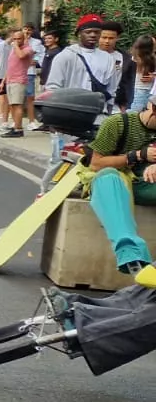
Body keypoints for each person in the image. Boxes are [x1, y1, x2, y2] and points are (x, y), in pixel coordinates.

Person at [84, 98, 156, 279]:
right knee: (108, 176)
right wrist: (137, 156)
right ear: (152, 108)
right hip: (113, 179)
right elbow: (96, 163)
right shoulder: (118, 123)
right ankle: (132, 256)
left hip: (145, 185)